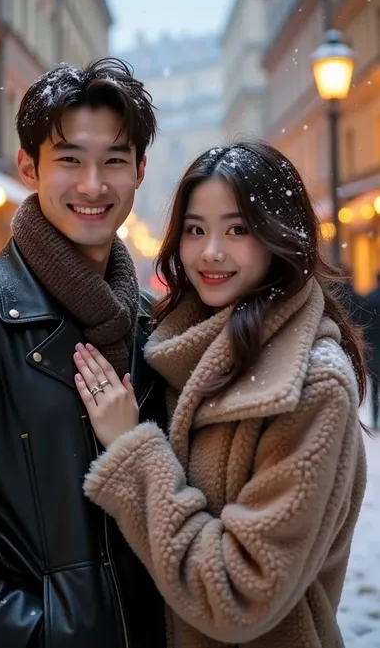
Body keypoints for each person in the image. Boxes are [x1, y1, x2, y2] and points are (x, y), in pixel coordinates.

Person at [0, 58, 167, 648]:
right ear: (29, 166)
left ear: (140, 171)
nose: (93, 185)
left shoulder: (155, 328)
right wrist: (40, 633)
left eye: (115, 161)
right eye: (69, 159)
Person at [74, 140, 368, 648]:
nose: (210, 251)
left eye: (238, 229)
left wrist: (132, 454)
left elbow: (238, 594)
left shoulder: (312, 384)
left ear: (281, 238)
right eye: (195, 230)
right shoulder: (181, 348)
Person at [362, 272, 380, 429]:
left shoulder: (370, 298)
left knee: (375, 385)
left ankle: (375, 419)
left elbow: (364, 323)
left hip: (374, 346)